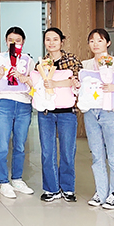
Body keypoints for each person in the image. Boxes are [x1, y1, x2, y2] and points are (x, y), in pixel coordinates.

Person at [82, 28, 114, 209]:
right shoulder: (86, 65)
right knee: (97, 156)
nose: (95, 44)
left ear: (108, 43)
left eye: (100, 40)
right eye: (92, 41)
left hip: (111, 113)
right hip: (91, 113)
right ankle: (101, 192)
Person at [0, 26, 35, 199]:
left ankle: (17, 179)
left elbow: (34, 84)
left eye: (18, 40)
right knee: (2, 146)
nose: (14, 43)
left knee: (20, 145)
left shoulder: (28, 60)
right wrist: (0, 74)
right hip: (4, 103)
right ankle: (4, 182)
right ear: (6, 41)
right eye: (10, 40)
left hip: (23, 104)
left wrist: (24, 78)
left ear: (23, 42)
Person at [37, 27, 82, 203]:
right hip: (46, 113)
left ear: (62, 41)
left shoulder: (71, 59)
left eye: (55, 39)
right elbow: (38, 85)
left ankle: (68, 188)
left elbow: (77, 81)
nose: (51, 43)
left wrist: (55, 83)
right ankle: (51, 189)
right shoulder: (41, 63)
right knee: (47, 152)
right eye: (48, 39)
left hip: (67, 113)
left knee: (67, 152)